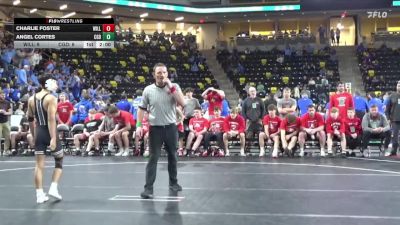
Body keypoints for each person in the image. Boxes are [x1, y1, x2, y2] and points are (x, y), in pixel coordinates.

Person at [136, 63, 185, 199]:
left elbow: (183, 103)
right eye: (159, 72)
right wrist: (139, 125)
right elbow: (141, 109)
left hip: (170, 127)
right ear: (154, 74)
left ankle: (173, 183)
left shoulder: (174, 88)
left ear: (167, 74)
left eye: (164, 72)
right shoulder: (148, 90)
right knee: (153, 158)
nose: (161, 75)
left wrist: (171, 85)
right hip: (155, 129)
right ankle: (148, 189)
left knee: (173, 156)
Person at [27, 74, 63, 203]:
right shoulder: (51, 98)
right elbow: (51, 119)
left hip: (39, 132)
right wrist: (53, 138)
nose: (55, 84)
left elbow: (30, 118)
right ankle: (53, 188)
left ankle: (39, 195)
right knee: (59, 160)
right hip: (49, 131)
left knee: (38, 165)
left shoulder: (31, 99)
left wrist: (33, 134)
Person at [386, 81, 400, 156]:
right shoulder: (392, 96)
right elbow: (387, 109)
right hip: (395, 119)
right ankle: (394, 151)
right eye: (398, 84)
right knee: (394, 136)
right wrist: (388, 118)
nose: (399, 86)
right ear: (396, 86)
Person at [0, 90, 12, 156]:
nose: (3, 96)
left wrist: (5, 113)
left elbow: (10, 112)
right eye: (2, 95)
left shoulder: (7, 102)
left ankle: (6, 150)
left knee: (7, 136)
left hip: (5, 121)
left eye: (4, 95)